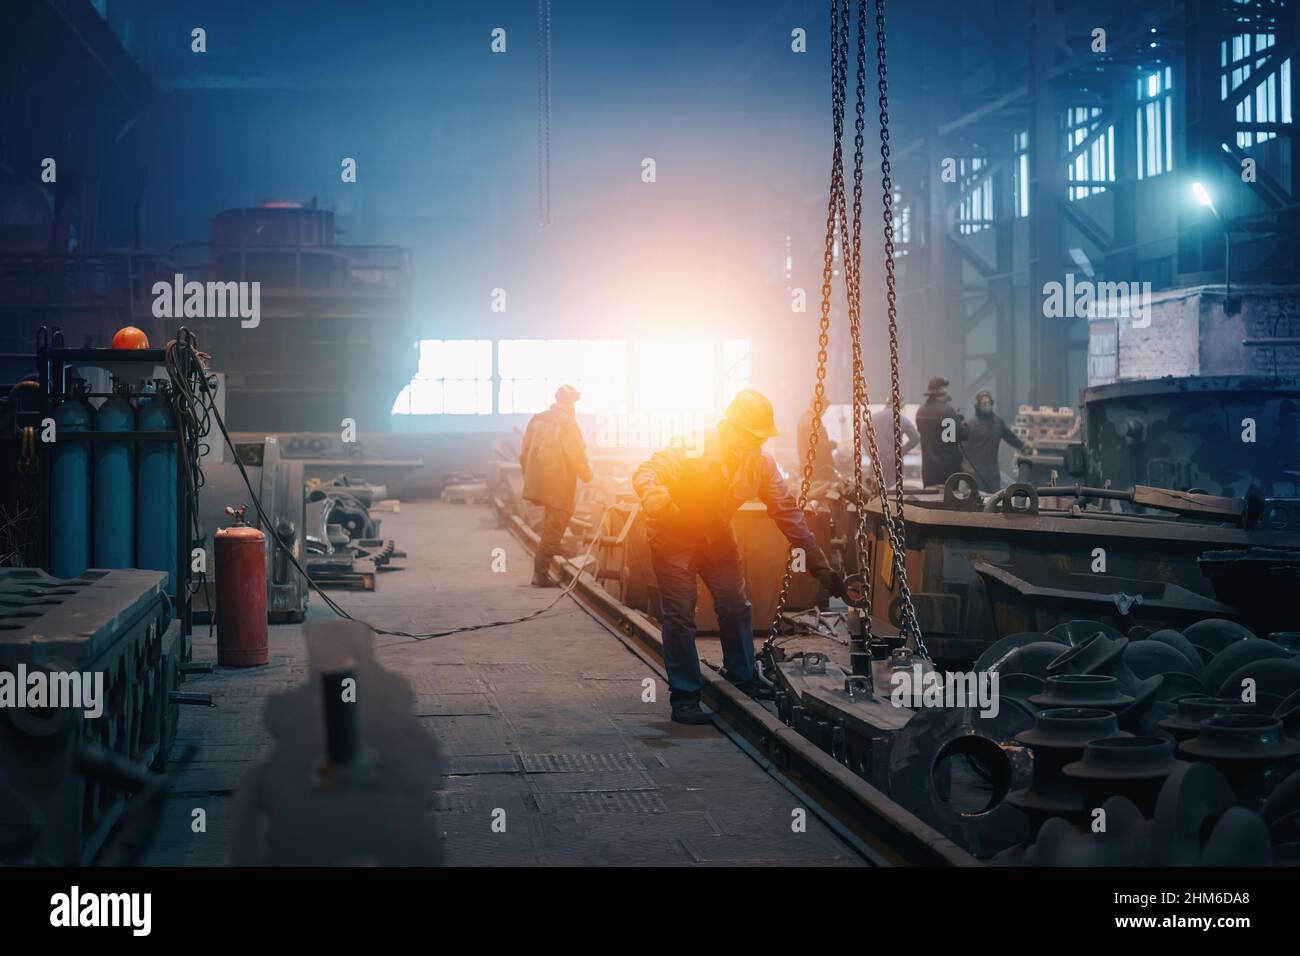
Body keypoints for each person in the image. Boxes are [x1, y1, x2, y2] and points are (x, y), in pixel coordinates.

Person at [632, 388, 844, 725]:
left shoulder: (760, 463)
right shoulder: (694, 446)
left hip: (715, 536)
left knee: (735, 604)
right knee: (681, 615)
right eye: (749, 437)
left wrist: (819, 564)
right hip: (674, 536)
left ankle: (741, 677)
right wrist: (655, 496)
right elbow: (647, 471)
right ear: (731, 428)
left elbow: (787, 513)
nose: (755, 445)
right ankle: (685, 698)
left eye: (759, 439)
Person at [519, 385, 593, 587]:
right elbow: (575, 454)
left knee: (552, 523)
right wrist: (587, 475)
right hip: (559, 483)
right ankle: (539, 574)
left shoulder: (537, 418)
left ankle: (558, 552)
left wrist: (531, 475)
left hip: (538, 481)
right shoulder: (568, 423)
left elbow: (524, 451)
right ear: (571, 403)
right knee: (555, 525)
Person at [963, 390, 1028, 492]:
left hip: (992, 469)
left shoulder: (998, 423)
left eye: (988, 403)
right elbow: (963, 448)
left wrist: (1024, 447)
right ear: (978, 405)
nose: (987, 405)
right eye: (984, 403)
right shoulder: (970, 425)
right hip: (976, 470)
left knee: (994, 498)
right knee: (976, 499)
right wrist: (966, 467)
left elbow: (1010, 437)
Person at [914, 376, 969, 487]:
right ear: (943, 391)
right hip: (947, 471)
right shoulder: (947, 411)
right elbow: (961, 435)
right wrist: (963, 424)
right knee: (949, 502)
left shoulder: (921, 411)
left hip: (928, 470)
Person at [867, 405, 920, 489]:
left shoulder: (873, 418)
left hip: (876, 459)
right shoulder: (901, 419)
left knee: (874, 489)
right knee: (893, 491)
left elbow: (863, 434)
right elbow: (916, 437)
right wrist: (902, 451)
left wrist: (870, 453)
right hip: (894, 460)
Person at [796, 398, 838, 481]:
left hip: (816, 470)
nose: (825, 412)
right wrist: (834, 444)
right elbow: (816, 445)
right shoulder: (809, 420)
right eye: (824, 409)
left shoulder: (810, 419)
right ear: (818, 406)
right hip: (816, 472)